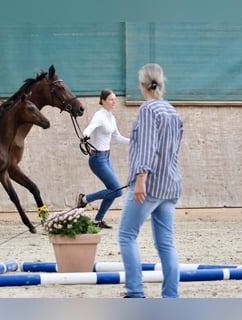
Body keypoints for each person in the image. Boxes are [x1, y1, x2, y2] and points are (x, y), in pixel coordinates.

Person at [118, 63, 183, 298]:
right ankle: (171, 297)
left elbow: (147, 147)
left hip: (150, 185)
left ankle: (135, 292)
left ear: (142, 84)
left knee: (126, 235)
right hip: (171, 184)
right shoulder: (171, 110)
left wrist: (141, 179)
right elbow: (173, 151)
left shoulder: (147, 110)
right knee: (166, 244)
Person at [76, 89, 129, 229]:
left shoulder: (111, 117)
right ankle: (85, 199)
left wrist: (133, 141)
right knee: (118, 190)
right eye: (111, 99)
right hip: (97, 159)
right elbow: (90, 128)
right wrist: (85, 135)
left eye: (115, 99)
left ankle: (97, 221)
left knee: (112, 191)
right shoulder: (99, 116)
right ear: (103, 100)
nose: (114, 102)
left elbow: (117, 137)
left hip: (106, 157)